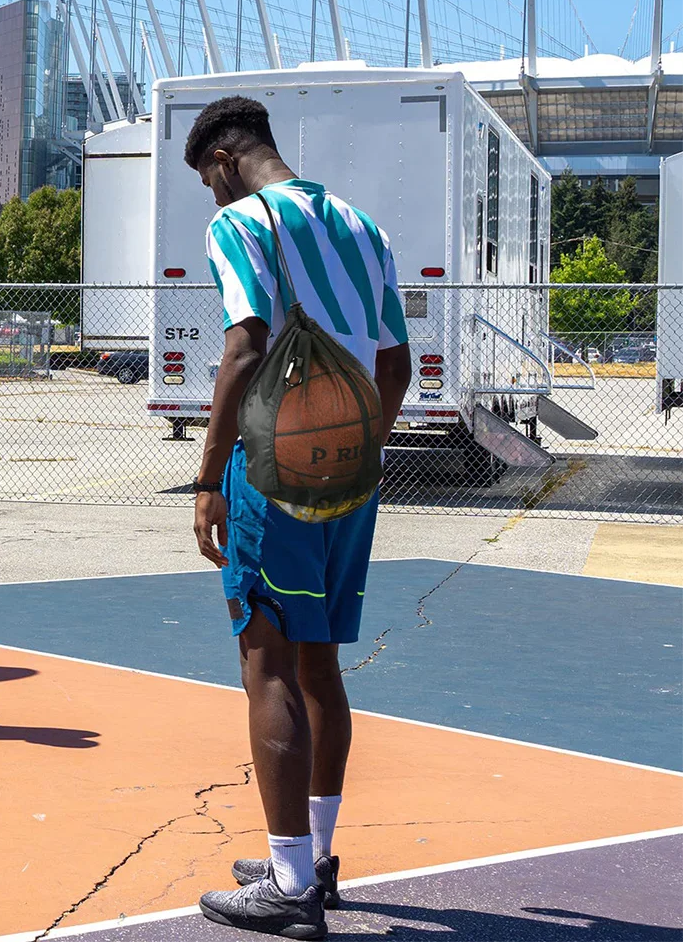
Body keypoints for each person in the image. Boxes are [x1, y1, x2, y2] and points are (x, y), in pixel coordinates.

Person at [185, 97, 413, 938]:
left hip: (271, 467)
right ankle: (312, 857)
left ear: (220, 159)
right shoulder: (363, 225)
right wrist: (360, 443)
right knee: (318, 662)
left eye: (205, 181)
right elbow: (396, 360)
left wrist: (208, 474)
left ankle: (285, 888)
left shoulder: (241, 222)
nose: (209, 197)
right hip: (350, 469)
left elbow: (245, 344)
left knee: (266, 662)